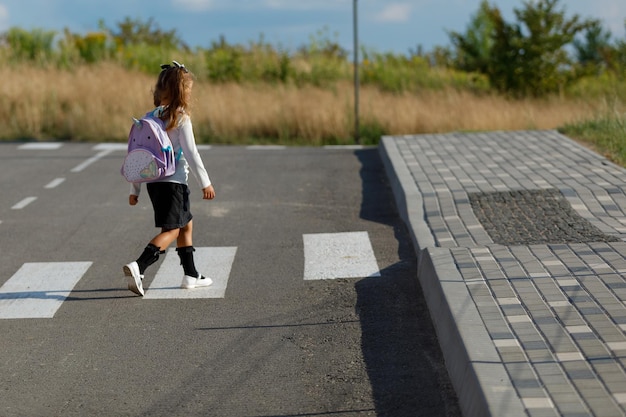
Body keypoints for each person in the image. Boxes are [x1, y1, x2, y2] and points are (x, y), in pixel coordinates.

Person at [123, 60, 215, 296]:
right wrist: (205, 183)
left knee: (185, 225)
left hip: (154, 183)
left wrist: (135, 190)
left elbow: (138, 156)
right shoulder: (181, 118)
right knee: (172, 230)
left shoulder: (150, 118)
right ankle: (139, 266)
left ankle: (191, 274)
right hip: (174, 183)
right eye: (189, 89)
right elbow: (192, 153)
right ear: (181, 92)